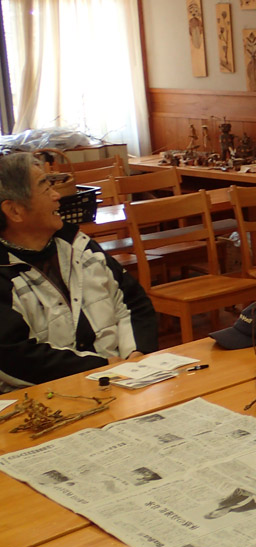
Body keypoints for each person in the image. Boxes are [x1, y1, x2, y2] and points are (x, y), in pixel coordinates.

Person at [0, 152, 157, 392]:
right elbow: (13, 356)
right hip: (51, 396)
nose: (57, 196)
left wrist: (136, 353)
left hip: (123, 380)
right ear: (14, 211)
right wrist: (101, 367)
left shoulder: (77, 245)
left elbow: (133, 302)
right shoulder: (4, 272)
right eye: (45, 188)